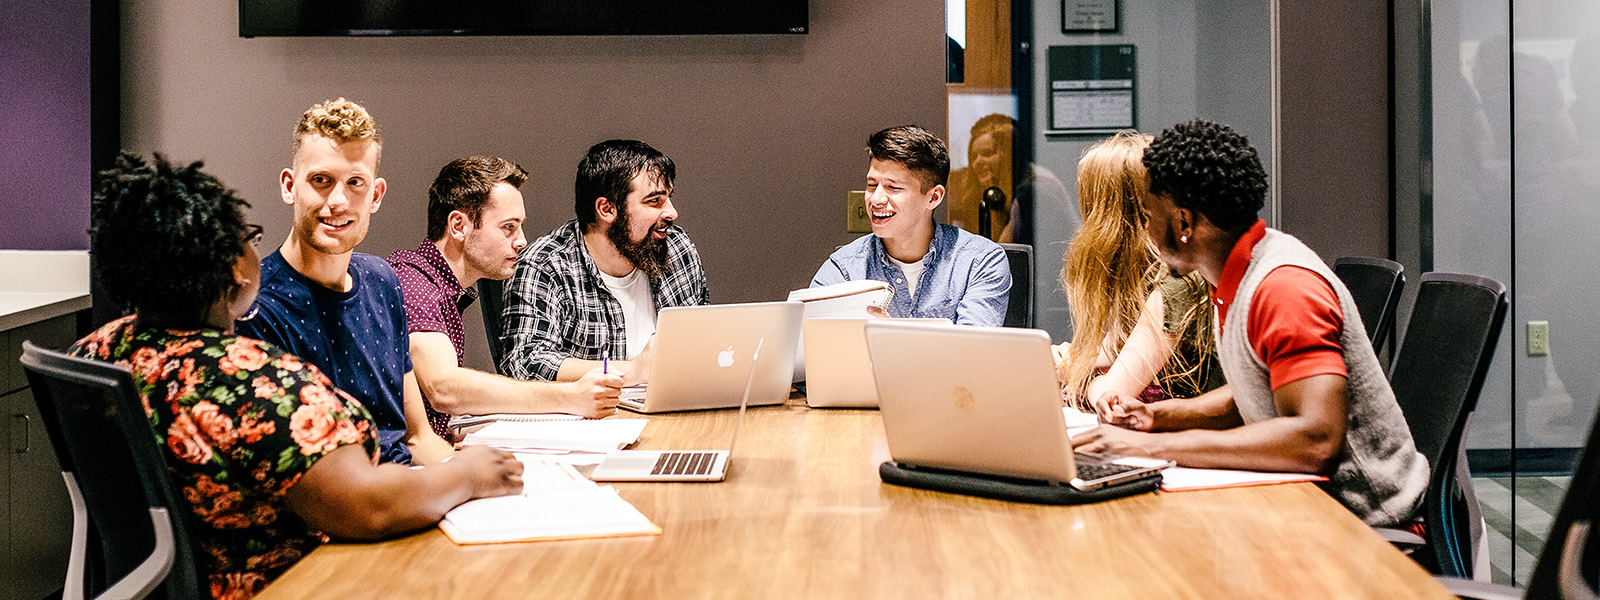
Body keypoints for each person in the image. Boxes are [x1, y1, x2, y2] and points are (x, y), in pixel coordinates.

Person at [73, 153, 522, 599]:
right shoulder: (255, 381)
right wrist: (468, 472)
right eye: (250, 238)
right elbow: (367, 506)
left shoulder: (95, 351)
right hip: (288, 583)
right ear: (236, 267)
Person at [1074, 119, 1428, 527]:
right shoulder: (1234, 276)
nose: (1145, 229)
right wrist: (1159, 417)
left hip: (1370, 523)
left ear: (1184, 223)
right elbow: (1254, 389)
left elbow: (1315, 439)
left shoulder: (1283, 287)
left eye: (1147, 215)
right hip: (1308, 503)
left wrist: (1150, 448)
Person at [236, 98, 448, 465]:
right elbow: (303, 478)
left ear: (375, 195)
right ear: (289, 186)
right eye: (321, 181)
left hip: (410, 486)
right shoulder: (259, 308)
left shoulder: (382, 281)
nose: (338, 201)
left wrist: (475, 479)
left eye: (355, 183)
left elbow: (418, 438)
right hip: (348, 496)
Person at [388, 156, 624, 438]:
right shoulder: (413, 282)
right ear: (458, 226)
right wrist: (569, 397)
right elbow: (444, 388)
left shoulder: (439, 285)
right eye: (508, 227)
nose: (522, 240)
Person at [501, 140, 709, 382]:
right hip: (592, 406)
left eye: (669, 198)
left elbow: (704, 339)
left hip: (673, 398)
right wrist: (632, 371)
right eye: (654, 201)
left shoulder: (677, 247)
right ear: (607, 209)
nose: (672, 213)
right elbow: (525, 362)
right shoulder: (546, 266)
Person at [1053, 131, 1223, 407]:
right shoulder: (1141, 275)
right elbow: (1111, 350)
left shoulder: (1179, 282)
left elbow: (1112, 394)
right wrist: (1071, 361)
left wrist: (1082, 378)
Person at [811, 125, 1012, 325]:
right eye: (872, 185)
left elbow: (972, 342)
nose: (876, 199)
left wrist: (888, 336)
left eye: (893, 187)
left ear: (933, 197)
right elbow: (810, 337)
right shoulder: (845, 267)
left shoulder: (980, 261)